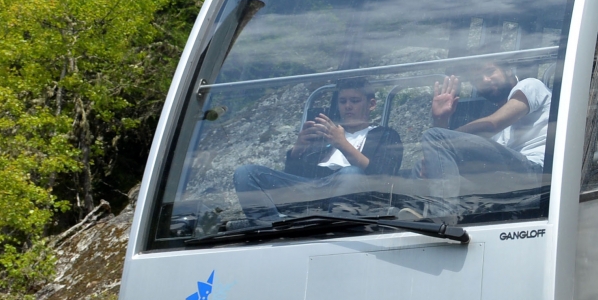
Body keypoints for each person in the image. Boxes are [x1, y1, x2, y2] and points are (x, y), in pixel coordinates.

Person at [234, 81, 403, 225]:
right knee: (246, 173)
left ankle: (334, 225)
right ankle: (269, 227)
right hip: (313, 188)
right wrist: (297, 150)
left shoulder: (385, 135)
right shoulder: (324, 133)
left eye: (355, 101)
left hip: (354, 190)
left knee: (351, 173)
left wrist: (342, 143)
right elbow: (293, 177)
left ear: (371, 104)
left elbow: (383, 177)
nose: (348, 106)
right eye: (342, 101)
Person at [413, 60, 553, 215]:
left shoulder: (530, 86)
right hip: (504, 181)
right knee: (422, 167)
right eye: (478, 79)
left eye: (490, 72)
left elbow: (493, 124)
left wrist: (444, 138)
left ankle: (441, 218)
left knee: (435, 136)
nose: (485, 80)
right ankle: (416, 218)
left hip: (536, 172)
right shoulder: (490, 128)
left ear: (507, 70)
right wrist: (441, 119)